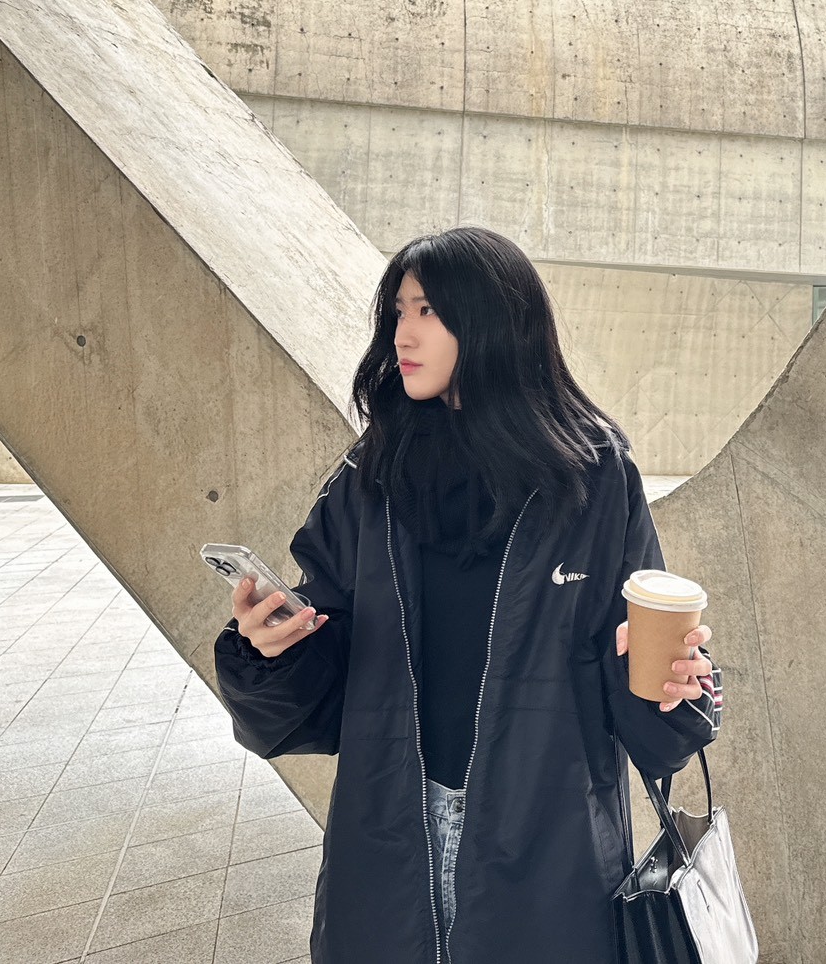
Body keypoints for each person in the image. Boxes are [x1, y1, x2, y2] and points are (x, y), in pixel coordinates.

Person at [213, 226, 722, 964]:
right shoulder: (372, 473)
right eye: (397, 312)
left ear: (492, 322)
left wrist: (674, 689)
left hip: (547, 854)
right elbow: (325, 652)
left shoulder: (595, 477)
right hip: (389, 834)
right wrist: (270, 645)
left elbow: (639, 678)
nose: (403, 334)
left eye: (427, 311)